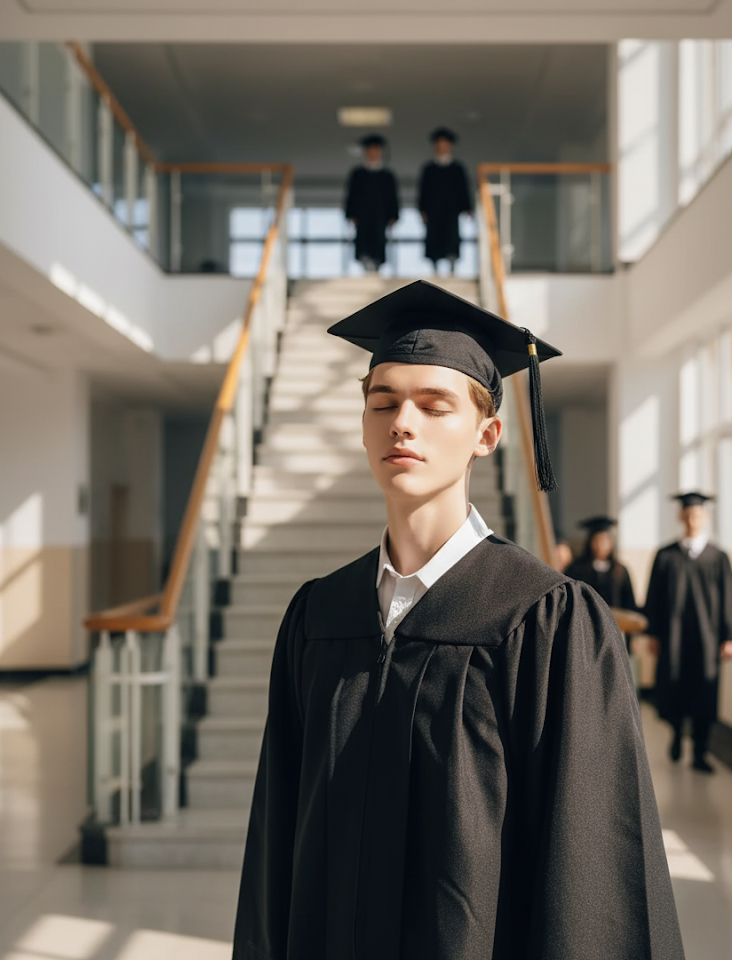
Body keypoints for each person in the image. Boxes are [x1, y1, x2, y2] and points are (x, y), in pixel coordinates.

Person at [232, 281, 684, 960]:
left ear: (487, 434)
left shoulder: (547, 622)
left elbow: (589, 872)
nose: (401, 423)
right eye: (381, 403)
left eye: (433, 405)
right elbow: (276, 845)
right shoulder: (318, 616)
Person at [645, 491, 732, 773]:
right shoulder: (666, 555)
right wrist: (654, 634)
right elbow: (654, 597)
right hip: (674, 637)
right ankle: (675, 733)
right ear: (681, 516)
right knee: (673, 687)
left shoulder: (718, 558)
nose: (693, 519)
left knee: (705, 694)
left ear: (705, 517)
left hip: (707, 639)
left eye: (697, 514)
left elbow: (728, 599)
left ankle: (700, 752)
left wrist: (728, 636)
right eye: (688, 514)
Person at [418, 127, 472, 274]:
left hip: (451, 210)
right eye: (439, 144)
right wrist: (422, 210)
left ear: (450, 146)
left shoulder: (457, 169)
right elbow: (423, 191)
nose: (442, 147)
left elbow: (463, 189)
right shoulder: (429, 169)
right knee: (434, 237)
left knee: (451, 236)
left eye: (445, 144)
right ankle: (435, 266)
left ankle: (452, 264)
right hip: (434, 210)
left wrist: (467, 207)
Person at [344, 133, 399, 272]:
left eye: (376, 149)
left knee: (379, 238)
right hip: (362, 214)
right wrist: (350, 213)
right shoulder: (357, 174)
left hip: (380, 214)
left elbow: (393, 196)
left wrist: (393, 215)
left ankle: (377, 264)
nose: (373, 152)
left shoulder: (387, 175)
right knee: (363, 240)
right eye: (370, 149)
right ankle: (365, 263)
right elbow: (351, 195)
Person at [565, 515, 638, 613]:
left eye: (604, 540)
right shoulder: (577, 568)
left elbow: (629, 603)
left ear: (611, 543)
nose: (601, 545)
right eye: (597, 540)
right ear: (590, 542)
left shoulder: (620, 571)